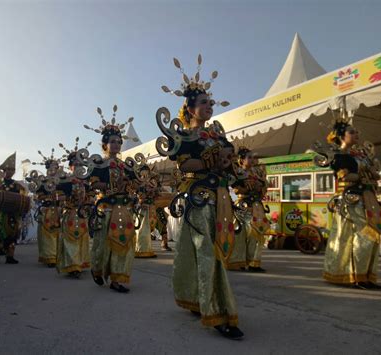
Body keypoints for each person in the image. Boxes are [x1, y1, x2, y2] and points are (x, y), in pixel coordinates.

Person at [155, 55, 243, 339]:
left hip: (220, 201)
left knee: (206, 254)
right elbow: (184, 166)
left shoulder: (218, 136)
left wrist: (230, 164)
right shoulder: (184, 138)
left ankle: (198, 298)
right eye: (204, 102)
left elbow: (231, 163)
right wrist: (211, 163)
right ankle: (218, 311)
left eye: (210, 102)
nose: (209, 106)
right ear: (190, 108)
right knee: (207, 254)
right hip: (198, 201)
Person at [313, 115, 381, 289]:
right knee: (365, 236)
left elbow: (376, 175)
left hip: (369, 199)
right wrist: (365, 175)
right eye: (351, 132)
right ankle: (358, 277)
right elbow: (345, 177)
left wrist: (368, 175)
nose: (356, 134)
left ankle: (367, 276)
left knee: (374, 236)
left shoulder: (361, 154)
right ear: (341, 136)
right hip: (352, 202)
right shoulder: (338, 156)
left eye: (356, 131)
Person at [78, 105, 145, 293]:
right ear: (105, 144)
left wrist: (134, 187)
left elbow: (136, 183)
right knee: (102, 244)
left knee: (123, 242)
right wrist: (111, 187)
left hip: (123, 210)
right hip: (105, 209)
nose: (116, 144)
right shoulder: (99, 164)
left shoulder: (126, 166)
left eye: (119, 141)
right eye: (113, 141)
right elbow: (93, 183)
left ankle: (117, 278)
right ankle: (98, 270)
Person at [227, 147, 269, 272]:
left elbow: (263, 188)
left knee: (257, 233)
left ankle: (253, 262)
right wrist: (246, 189)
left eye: (252, 157)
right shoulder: (238, 172)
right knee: (240, 234)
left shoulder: (257, 172)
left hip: (256, 206)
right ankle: (237, 261)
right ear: (241, 160)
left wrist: (259, 187)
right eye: (249, 158)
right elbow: (236, 189)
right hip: (242, 205)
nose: (251, 160)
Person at [55, 138, 92, 278]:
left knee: (82, 239)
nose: (77, 167)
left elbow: (91, 198)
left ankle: (80, 263)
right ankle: (72, 265)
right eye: (75, 164)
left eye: (80, 164)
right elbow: (57, 197)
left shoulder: (86, 183)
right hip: (70, 213)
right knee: (70, 239)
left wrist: (87, 202)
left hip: (82, 215)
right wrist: (67, 200)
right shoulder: (64, 181)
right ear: (70, 166)